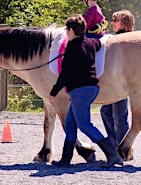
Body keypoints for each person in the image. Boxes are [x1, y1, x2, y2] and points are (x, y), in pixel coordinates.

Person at [49, 14, 122, 168]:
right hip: (92, 88)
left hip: (80, 90)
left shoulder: (71, 48)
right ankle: (65, 159)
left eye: (67, 30)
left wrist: (54, 91)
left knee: (84, 125)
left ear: (70, 31)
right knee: (70, 124)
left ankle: (112, 154)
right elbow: (99, 43)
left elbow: (66, 74)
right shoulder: (90, 43)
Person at [100, 10, 135, 152]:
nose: (113, 23)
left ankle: (124, 148)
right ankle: (116, 144)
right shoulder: (115, 38)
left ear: (124, 23)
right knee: (106, 112)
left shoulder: (126, 40)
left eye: (116, 20)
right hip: (113, 83)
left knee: (119, 117)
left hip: (120, 83)